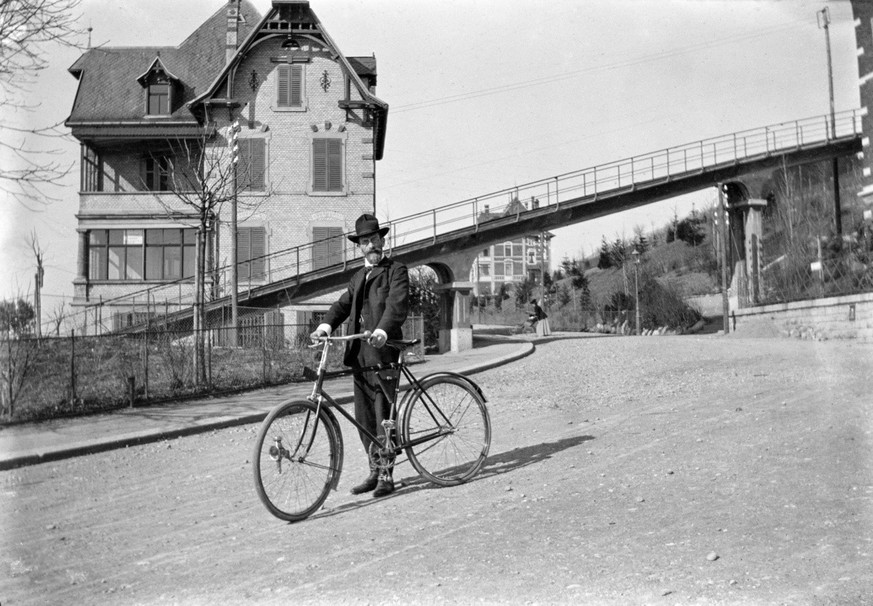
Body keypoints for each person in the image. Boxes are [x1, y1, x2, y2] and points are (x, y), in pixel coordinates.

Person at [310, 214, 409, 498]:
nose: (371, 246)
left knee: (382, 415)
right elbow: (342, 306)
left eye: (374, 240)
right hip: (360, 357)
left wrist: (383, 330)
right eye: (365, 242)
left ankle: (387, 475)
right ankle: (374, 470)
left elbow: (396, 305)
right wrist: (325, 326)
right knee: (364, 417)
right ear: (359, 246)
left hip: (384, 351)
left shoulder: (396, 271)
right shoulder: (357, 278)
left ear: (382, 240)